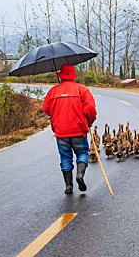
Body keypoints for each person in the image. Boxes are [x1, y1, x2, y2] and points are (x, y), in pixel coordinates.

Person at [43, 64, 97, 194]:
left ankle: (68, 186)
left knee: (65, 157)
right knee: (82, 153)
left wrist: (57, 115)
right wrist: (89, 122)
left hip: (61, 131)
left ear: (61, 75)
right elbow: (90, 109)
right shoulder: (82, 89)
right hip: (78, 129)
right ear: (73, 75)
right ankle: (80, 175)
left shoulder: (53, 91)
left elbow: (46, 109)